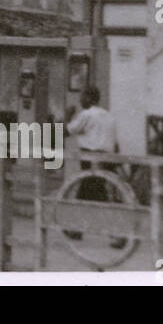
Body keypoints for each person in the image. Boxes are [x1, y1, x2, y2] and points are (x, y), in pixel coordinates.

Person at [64, 87, 122, 244]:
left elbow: (66, 131)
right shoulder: (109, 115)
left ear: (89, 99)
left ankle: (117, 233)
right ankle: (76, 229)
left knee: (96, 195)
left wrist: (67, 116)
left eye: (82, 98)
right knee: (88, 192)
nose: (80, 101)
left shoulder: (87, 114)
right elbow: (116, 144)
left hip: (91, 158)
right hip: (108, 159)